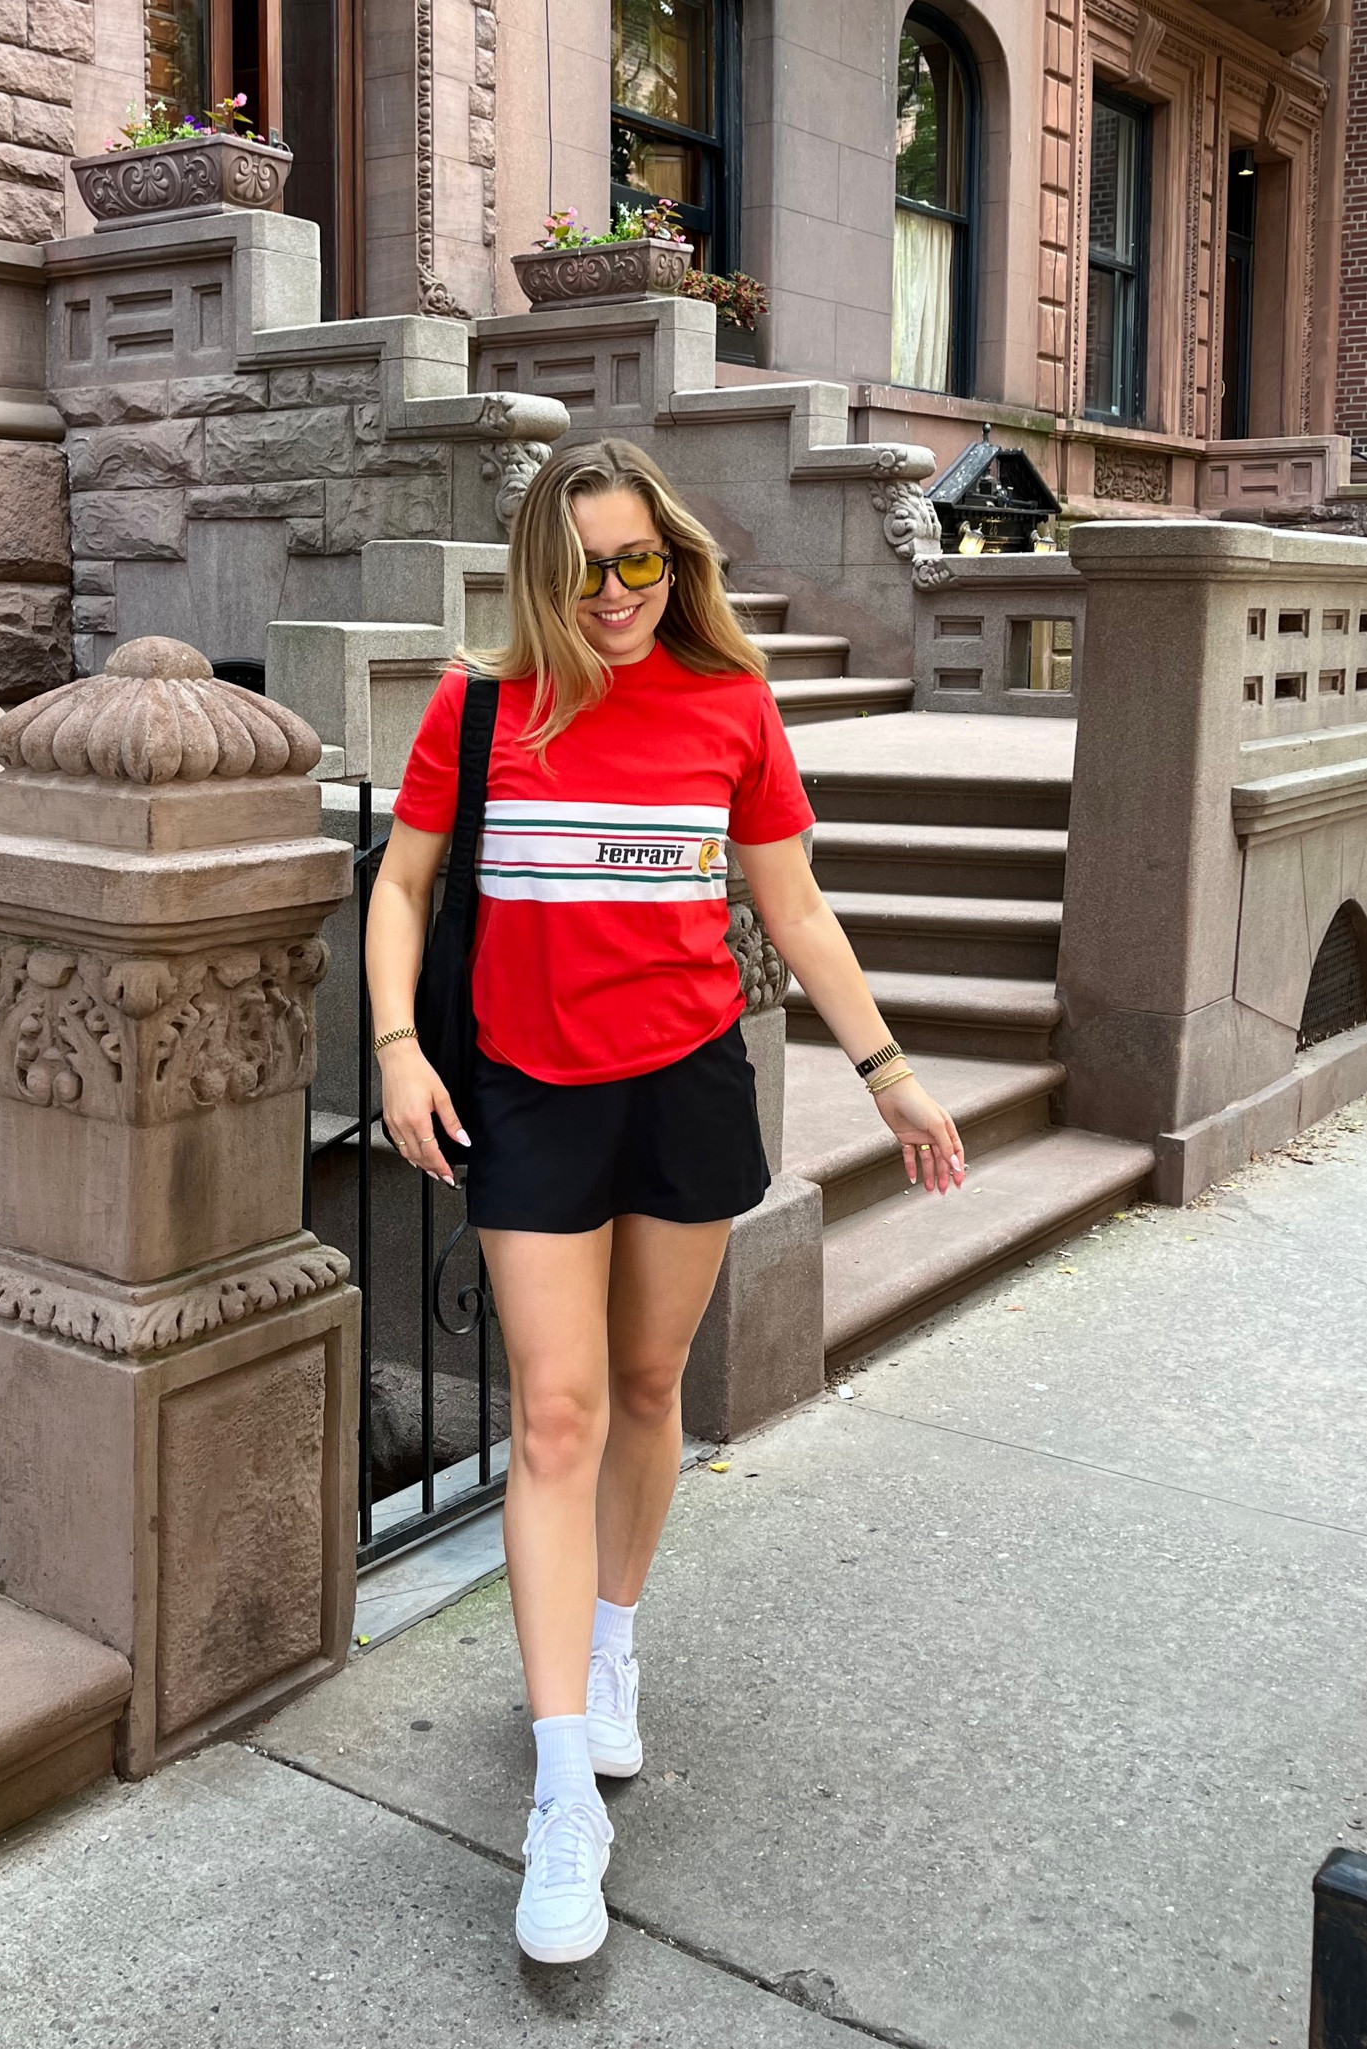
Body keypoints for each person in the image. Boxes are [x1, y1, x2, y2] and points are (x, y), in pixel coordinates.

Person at [365, 438, 964, 1965]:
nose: (618, 593)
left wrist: (888, 1071)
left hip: (690, 1080)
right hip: (527, 1094)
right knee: (554, 1416)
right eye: (587, 566)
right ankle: (562, 1792)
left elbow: (794, 906)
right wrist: (392, 1048)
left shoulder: (730, 706)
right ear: (538, 570)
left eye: (643, 561)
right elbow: (404, 883)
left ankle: (610, 1639)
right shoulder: (479, 707)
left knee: (646, 1387)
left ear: (673, 564)